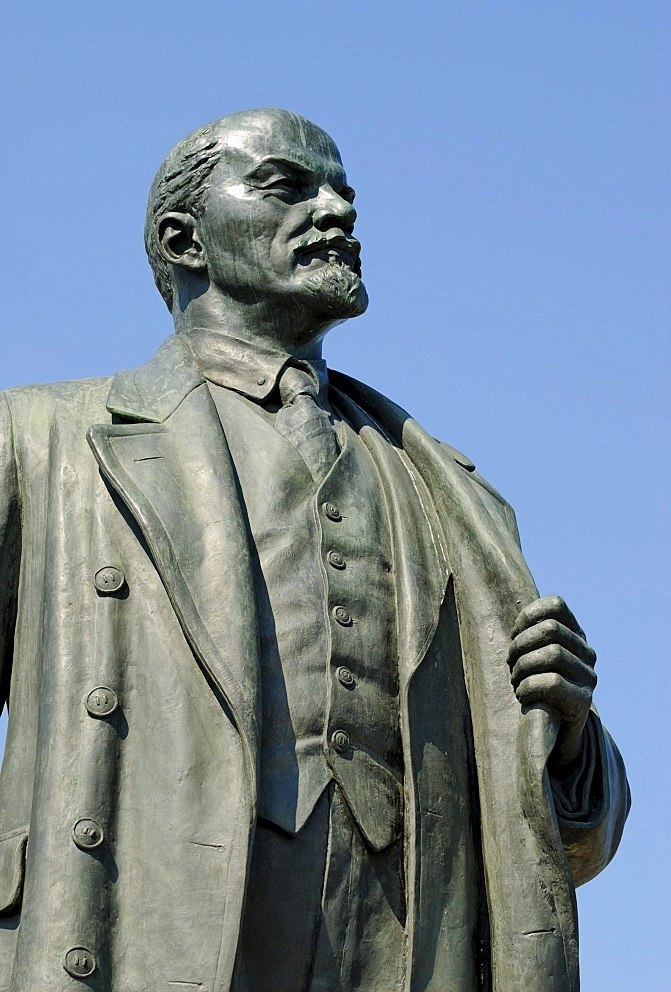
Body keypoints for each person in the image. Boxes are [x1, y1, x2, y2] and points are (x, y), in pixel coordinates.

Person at [0, 108, 628, 992]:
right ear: (186, 239)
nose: (335, 211)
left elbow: (570, 844)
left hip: (411, 942)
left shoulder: (454, 492)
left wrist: (565, 741)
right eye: (287, 186)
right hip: (148, 930)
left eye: (344, 194)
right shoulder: (44, 440)